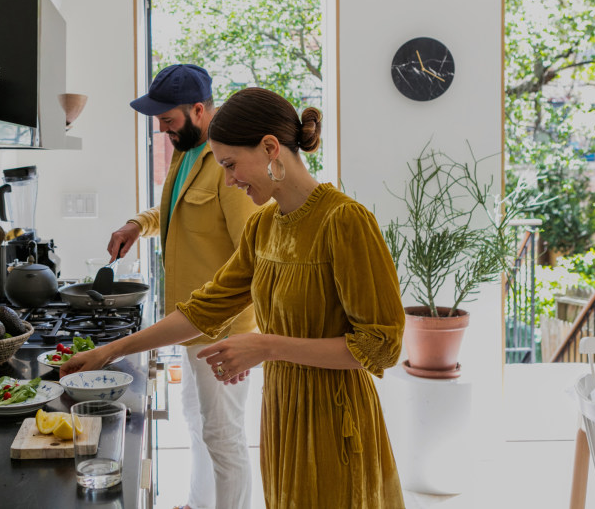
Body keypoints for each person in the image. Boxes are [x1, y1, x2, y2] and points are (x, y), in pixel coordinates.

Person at [65, 87, 406, 508]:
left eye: (230, 164)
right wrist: (110, 352)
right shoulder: (264, 225)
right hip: (283, 407)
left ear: (269, 148)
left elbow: (382, 346)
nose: (228, 179)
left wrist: (266, 345)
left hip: (336, 416)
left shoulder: (345, 221)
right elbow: (204, 308)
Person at [107, 64, 259, 509]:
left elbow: (252, 259)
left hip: (223, 330)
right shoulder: (186, 150)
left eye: (168, 120)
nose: (162, 129)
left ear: (198, 110)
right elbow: (173, 211)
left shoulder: (228, 165)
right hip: (188, 322)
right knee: (197, 422)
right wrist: (139, 224)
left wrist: (245, 339)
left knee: (224, 435)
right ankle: (198, 502)